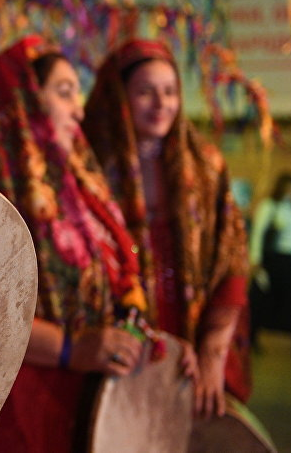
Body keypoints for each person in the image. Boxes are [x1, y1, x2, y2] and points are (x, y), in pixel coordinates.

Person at [0, 36, 162, 452]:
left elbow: (125, 262)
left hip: (89, 398)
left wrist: (132, 318)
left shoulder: (80, 185)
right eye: (64, 92)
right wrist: (70, 348)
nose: (78, 110)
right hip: (14, 407)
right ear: (22, 101)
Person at [83, 39, 251, 418]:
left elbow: (233, 263)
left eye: (170, 91)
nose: (162, 104)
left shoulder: (206, 168)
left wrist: (211, 353)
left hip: (198, 336)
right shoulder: (90, 171)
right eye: (146, 92)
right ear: (118, 97)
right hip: (120, 347)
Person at [249, 171, 291, 348]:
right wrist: (255, 259)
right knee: (261, 299)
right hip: (274, 260)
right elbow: (258, 234)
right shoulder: (269, 206)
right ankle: (253, 336)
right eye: (290, 186)